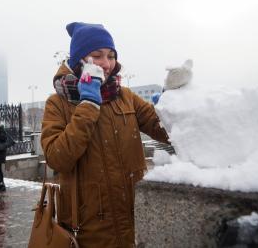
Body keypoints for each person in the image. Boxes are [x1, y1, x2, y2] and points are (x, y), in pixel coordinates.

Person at [41, 22, 190, 247]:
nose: (107, 63)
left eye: (111, 56)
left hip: (134, 218)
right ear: (79, 60)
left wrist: (173, 100)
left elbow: (168, 132)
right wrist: (88, 105)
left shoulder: (126, 96)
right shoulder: (58, 103)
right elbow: (57, 158)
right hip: (90, 229)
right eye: (97, 55)